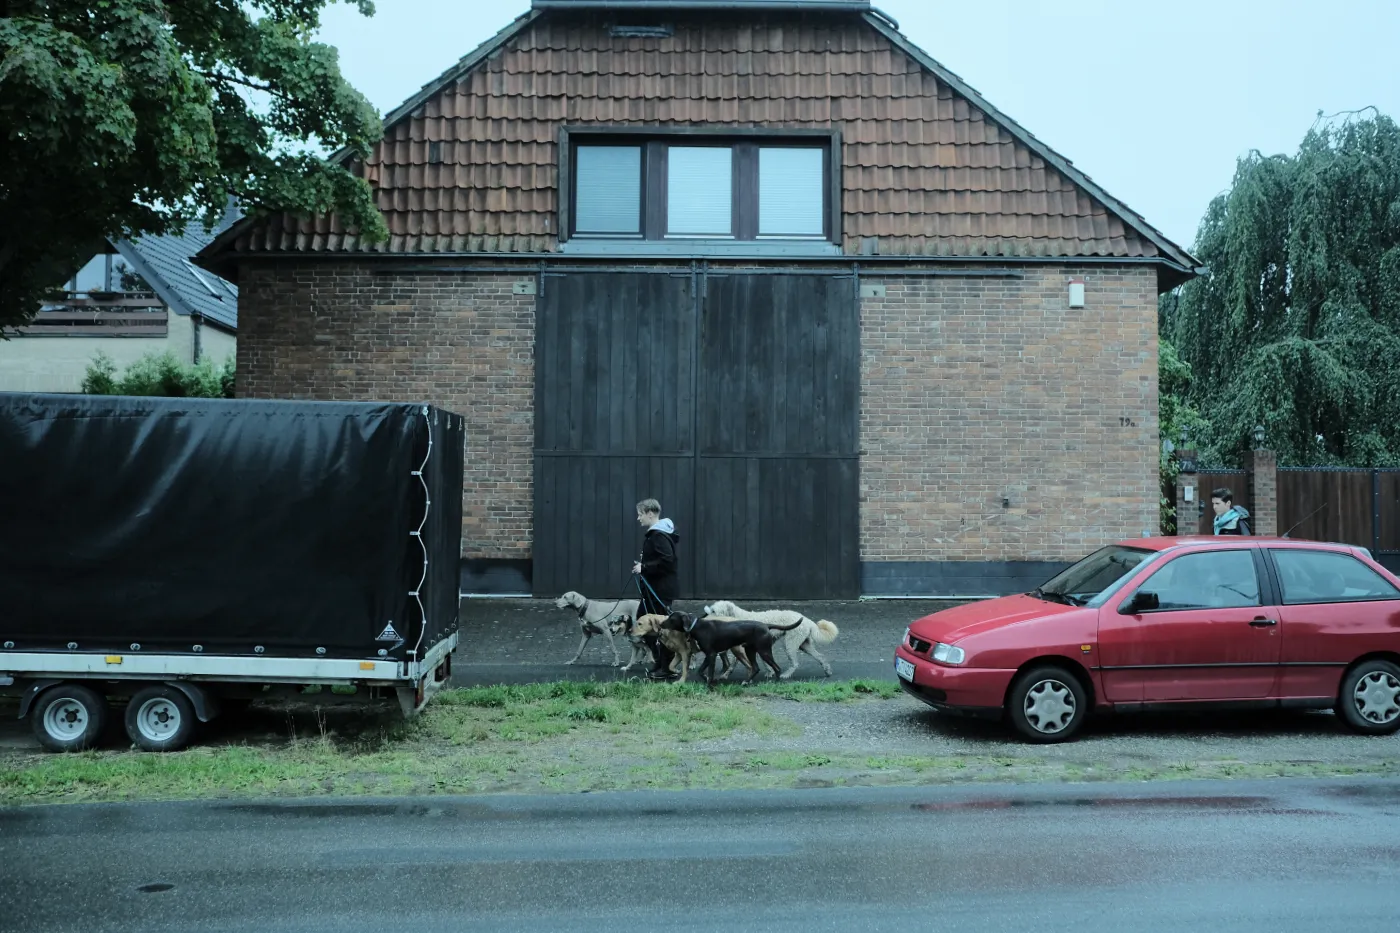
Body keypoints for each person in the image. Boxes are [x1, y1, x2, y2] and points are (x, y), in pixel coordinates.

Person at [632, 498, 680, 680]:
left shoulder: (658, 536)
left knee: (661, 629)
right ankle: (661, 664)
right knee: (643, 623)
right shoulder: (658, 534)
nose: (638, 518)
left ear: (650, 513)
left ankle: (666, 668)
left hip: (659, 591)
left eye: (640, 514)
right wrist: (643, 565)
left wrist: (644, 567)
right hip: (654, 591)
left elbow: (668, 561)